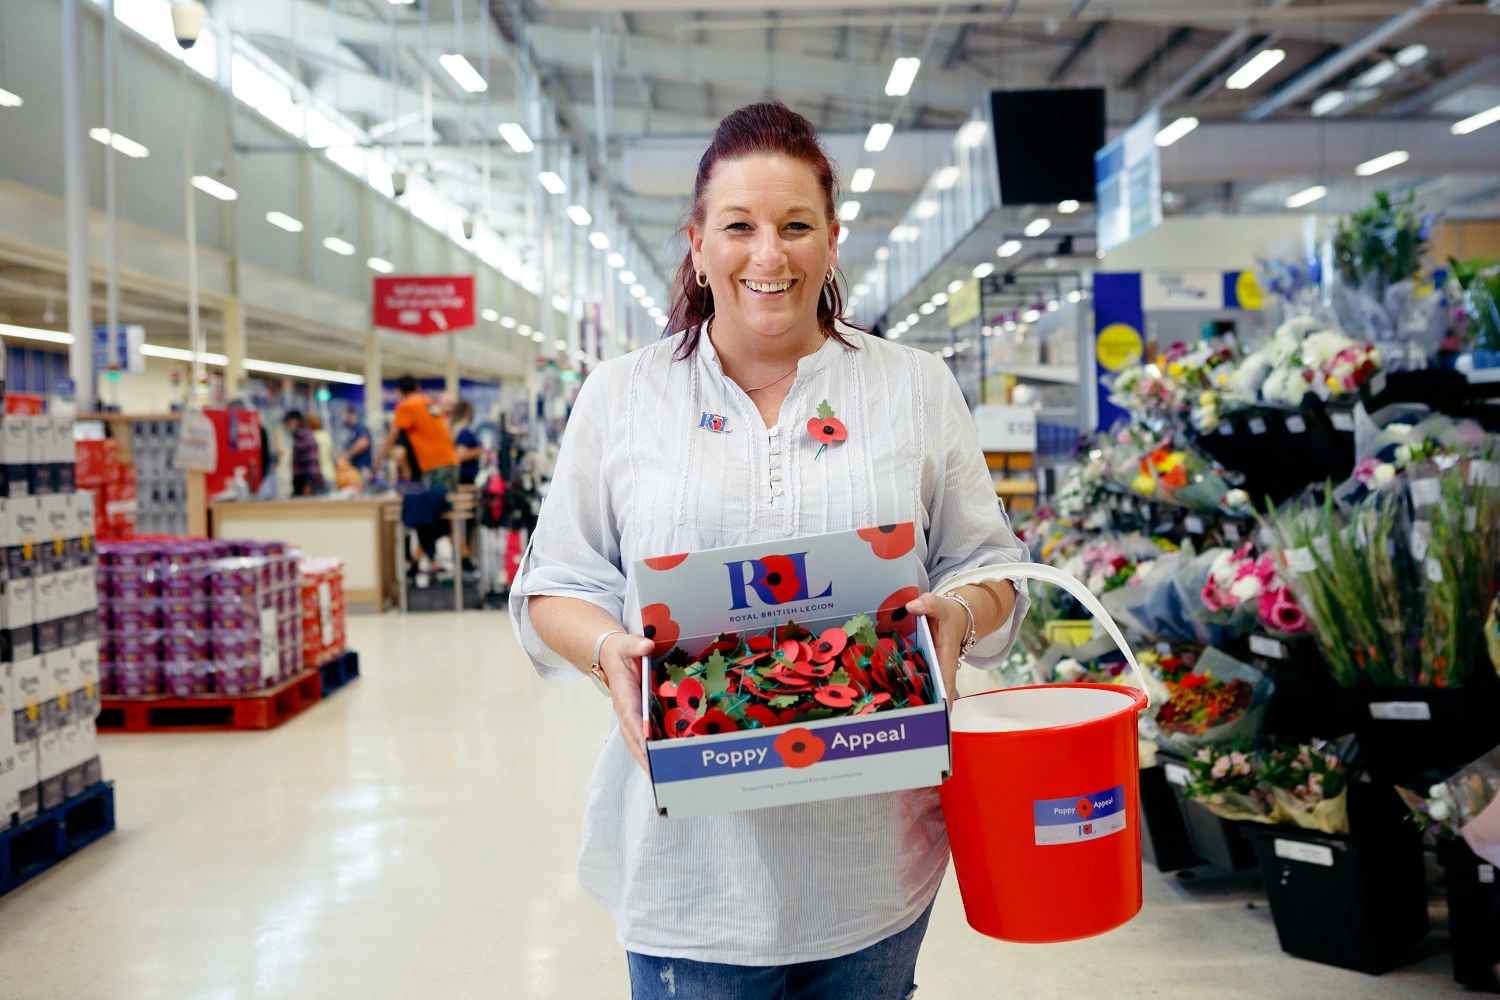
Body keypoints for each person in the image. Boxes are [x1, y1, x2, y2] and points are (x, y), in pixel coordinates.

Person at [511, 103, 1030, 999]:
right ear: (697, 244)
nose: (768, 255)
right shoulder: (622, 397)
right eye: (738, 227)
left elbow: (989, 566)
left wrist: (958, 613)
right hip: (689, 873)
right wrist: (606, 651)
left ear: (832, 240)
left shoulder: (911, 386)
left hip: (874, 864)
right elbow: (554, 582)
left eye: (795, 226)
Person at [374, 375, 458, 491]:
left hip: (435, 466)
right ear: (418, 388)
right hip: (452, 462)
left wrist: (375, 467)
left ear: (399, 391)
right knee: (448, 500)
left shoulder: (406, 406)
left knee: (436, 501)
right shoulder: (431, 404)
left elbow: (391, 438)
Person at [282, 410, 324, 496]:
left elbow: (312, 463)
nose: (287, 426)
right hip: (301, 484)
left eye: (288, 423)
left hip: (307, 486)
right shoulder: (298, 438)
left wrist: (309, 486)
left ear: (295, 421)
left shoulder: (306, 437)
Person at [450, 400, 483, 487]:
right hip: (465, 475)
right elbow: (461, 454)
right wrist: (479, 451)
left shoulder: (454, 429)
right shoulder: (465, 431)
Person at [340, 405, 373, 476]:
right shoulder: (351, 430)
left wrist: (348, 454)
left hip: (362, 467)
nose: (344, 420)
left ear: (351, 415)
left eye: (345, 416)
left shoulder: (360, 428)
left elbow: (363, 442)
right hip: (354, 468)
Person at [307, 412, 336, 489]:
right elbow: (332, 454)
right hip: (329, 473)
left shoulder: (310, 437)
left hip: (317, 476)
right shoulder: (326, 435)